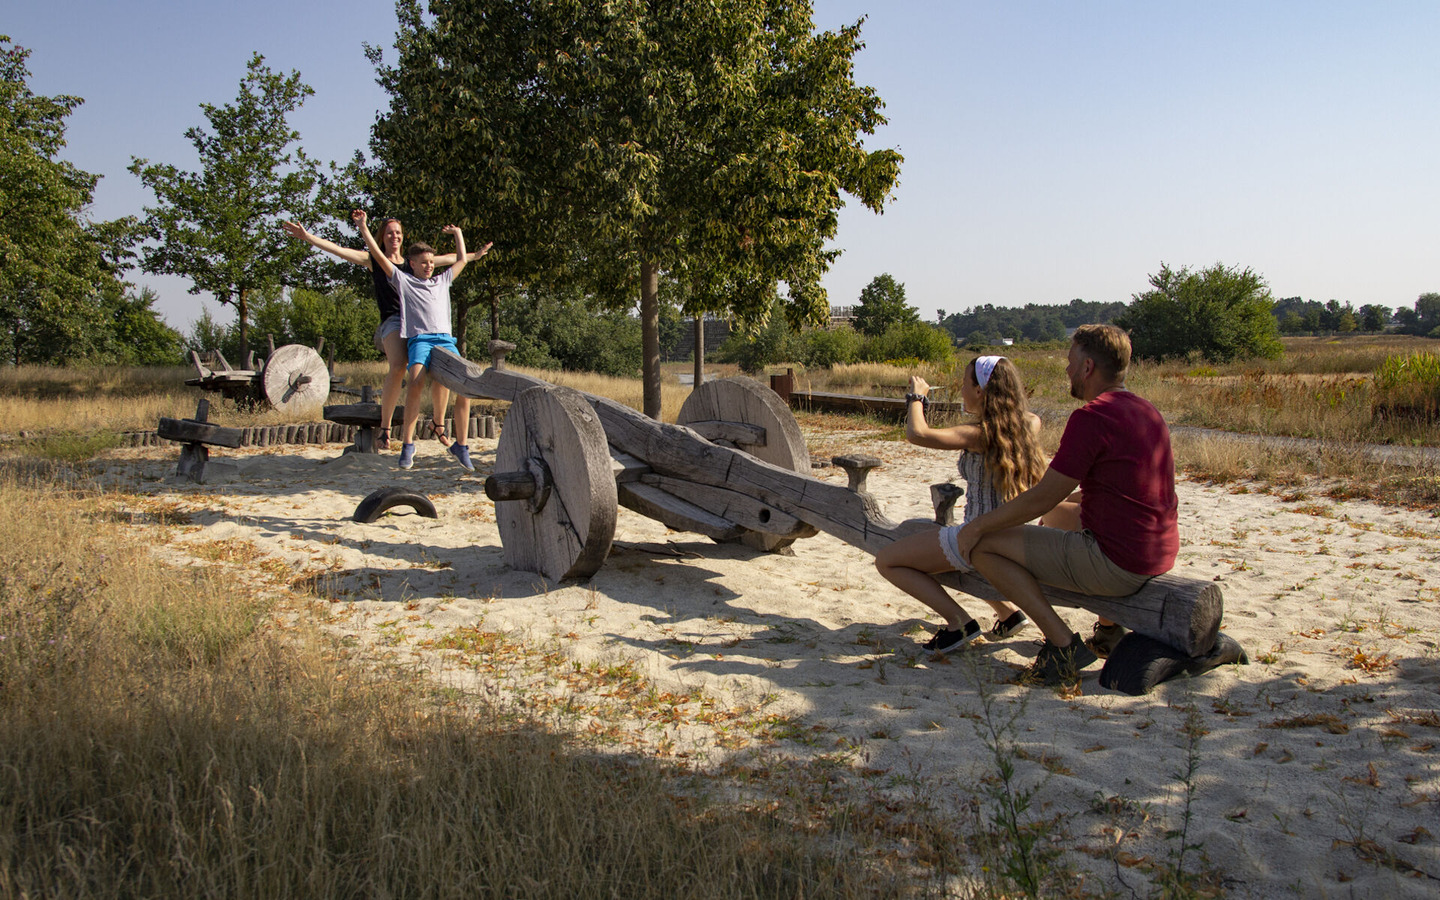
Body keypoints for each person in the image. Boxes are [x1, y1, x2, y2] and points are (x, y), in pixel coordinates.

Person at [953, 325, 1179, 685]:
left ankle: (1062, 645)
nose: (1066, 370)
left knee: (981, 545)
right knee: (1056, 521)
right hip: (1159, 550)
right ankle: (1109, 630)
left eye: (1071, 362)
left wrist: (977, 526)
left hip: (1117, 562)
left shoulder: (1092, 418)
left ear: (1088, 367)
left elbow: (1044, 495)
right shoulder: (1145, 410)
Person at [874, 356, 1048, 654]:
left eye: (966, 383)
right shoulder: (1031, 423)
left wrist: (917, 397)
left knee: (888, 560)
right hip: (1019, 535)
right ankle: (1007, 614)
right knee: (934, 542)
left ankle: (960, 623)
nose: (962, 390)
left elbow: (918, 434)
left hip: (981, 539)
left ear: (980, 391)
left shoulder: (979, 434)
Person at [280, 218, 484, 450]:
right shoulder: (375, 260)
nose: (394, 236)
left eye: (398, 232)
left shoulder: (415, 262)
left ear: (403, 237)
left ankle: (438, 425)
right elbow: (338, 250)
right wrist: (308, 237)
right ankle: (385, 428)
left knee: (443, 366)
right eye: (389, 233)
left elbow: (453, 259)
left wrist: (475, 255)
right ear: (382, 238)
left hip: (422, 323)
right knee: (398, 365)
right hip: (395, 320)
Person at [352, 208, 490, 470]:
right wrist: (364, 228)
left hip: (446, 341)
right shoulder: (403, 281)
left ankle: (461, 446)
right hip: (421, 341)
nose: (428, 266)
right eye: (423, 262)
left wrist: (459, 234)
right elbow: (379, 257)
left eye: (431, 262)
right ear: (411, 264)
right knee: (414, 380)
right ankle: (408, 445)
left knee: (466, 387)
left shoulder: (442, 280)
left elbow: (460, 260)